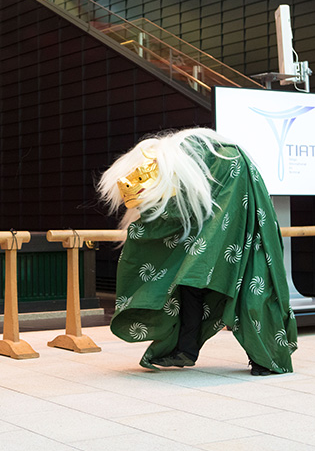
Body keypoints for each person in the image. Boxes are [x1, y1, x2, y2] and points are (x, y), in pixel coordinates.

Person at [98, 127, 297, 375]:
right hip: (219, 230)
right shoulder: (199, 164)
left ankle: (266, 357)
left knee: (249, 292)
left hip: (241, 231)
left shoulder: (226, 163)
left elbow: (200, 208)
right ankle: (185, 347)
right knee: (190, 285)